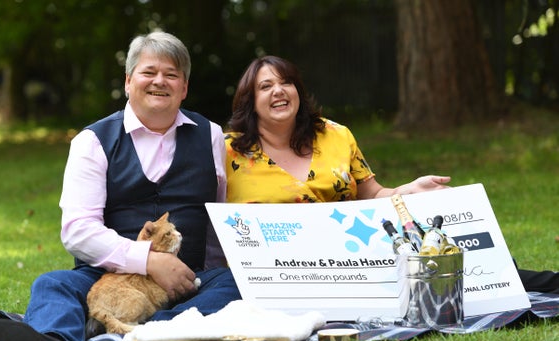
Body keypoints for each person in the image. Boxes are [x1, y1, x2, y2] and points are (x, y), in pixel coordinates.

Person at [0, 32, 241, 341]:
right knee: (53, 284)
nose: (160, 81)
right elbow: (78, 229)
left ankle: (127, 329)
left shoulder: (211, 135)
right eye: (149, 72)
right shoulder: (92, 140)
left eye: (172, 74)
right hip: (107, 277)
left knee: (236, 284)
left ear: (184, 88)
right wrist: (147, 261)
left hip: (187, 279)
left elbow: (215, 217)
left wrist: (207, 273)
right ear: (128, 82)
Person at [225, 55, 559, 294]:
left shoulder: (335, 135)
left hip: (350, 258)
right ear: (251, 101)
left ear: (298, 91)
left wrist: (408, 190)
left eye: (286, 83)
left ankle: (520, 280)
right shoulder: (226, 151)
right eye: (266, 86)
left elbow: (371, 194)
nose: (279, 91)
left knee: (450, 254)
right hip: (276, 271)